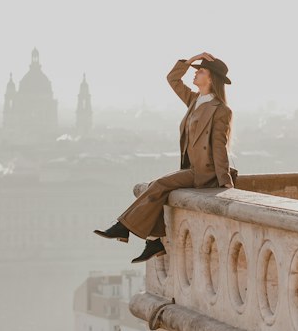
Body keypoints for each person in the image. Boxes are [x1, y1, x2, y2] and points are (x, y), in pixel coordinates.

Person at [95, 53, 235, 263]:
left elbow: (219, 146)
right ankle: (152, 241)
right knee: (155, 185)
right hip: (190, 168)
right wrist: (189, 61)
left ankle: (123, 227)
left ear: (211, 78)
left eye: (201, 71)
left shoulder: (221, 110)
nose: (195, 73)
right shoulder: (194, 100)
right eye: (196, 69)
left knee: (160, 184)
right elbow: (173, 79)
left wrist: (225, 182)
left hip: (203, 173)